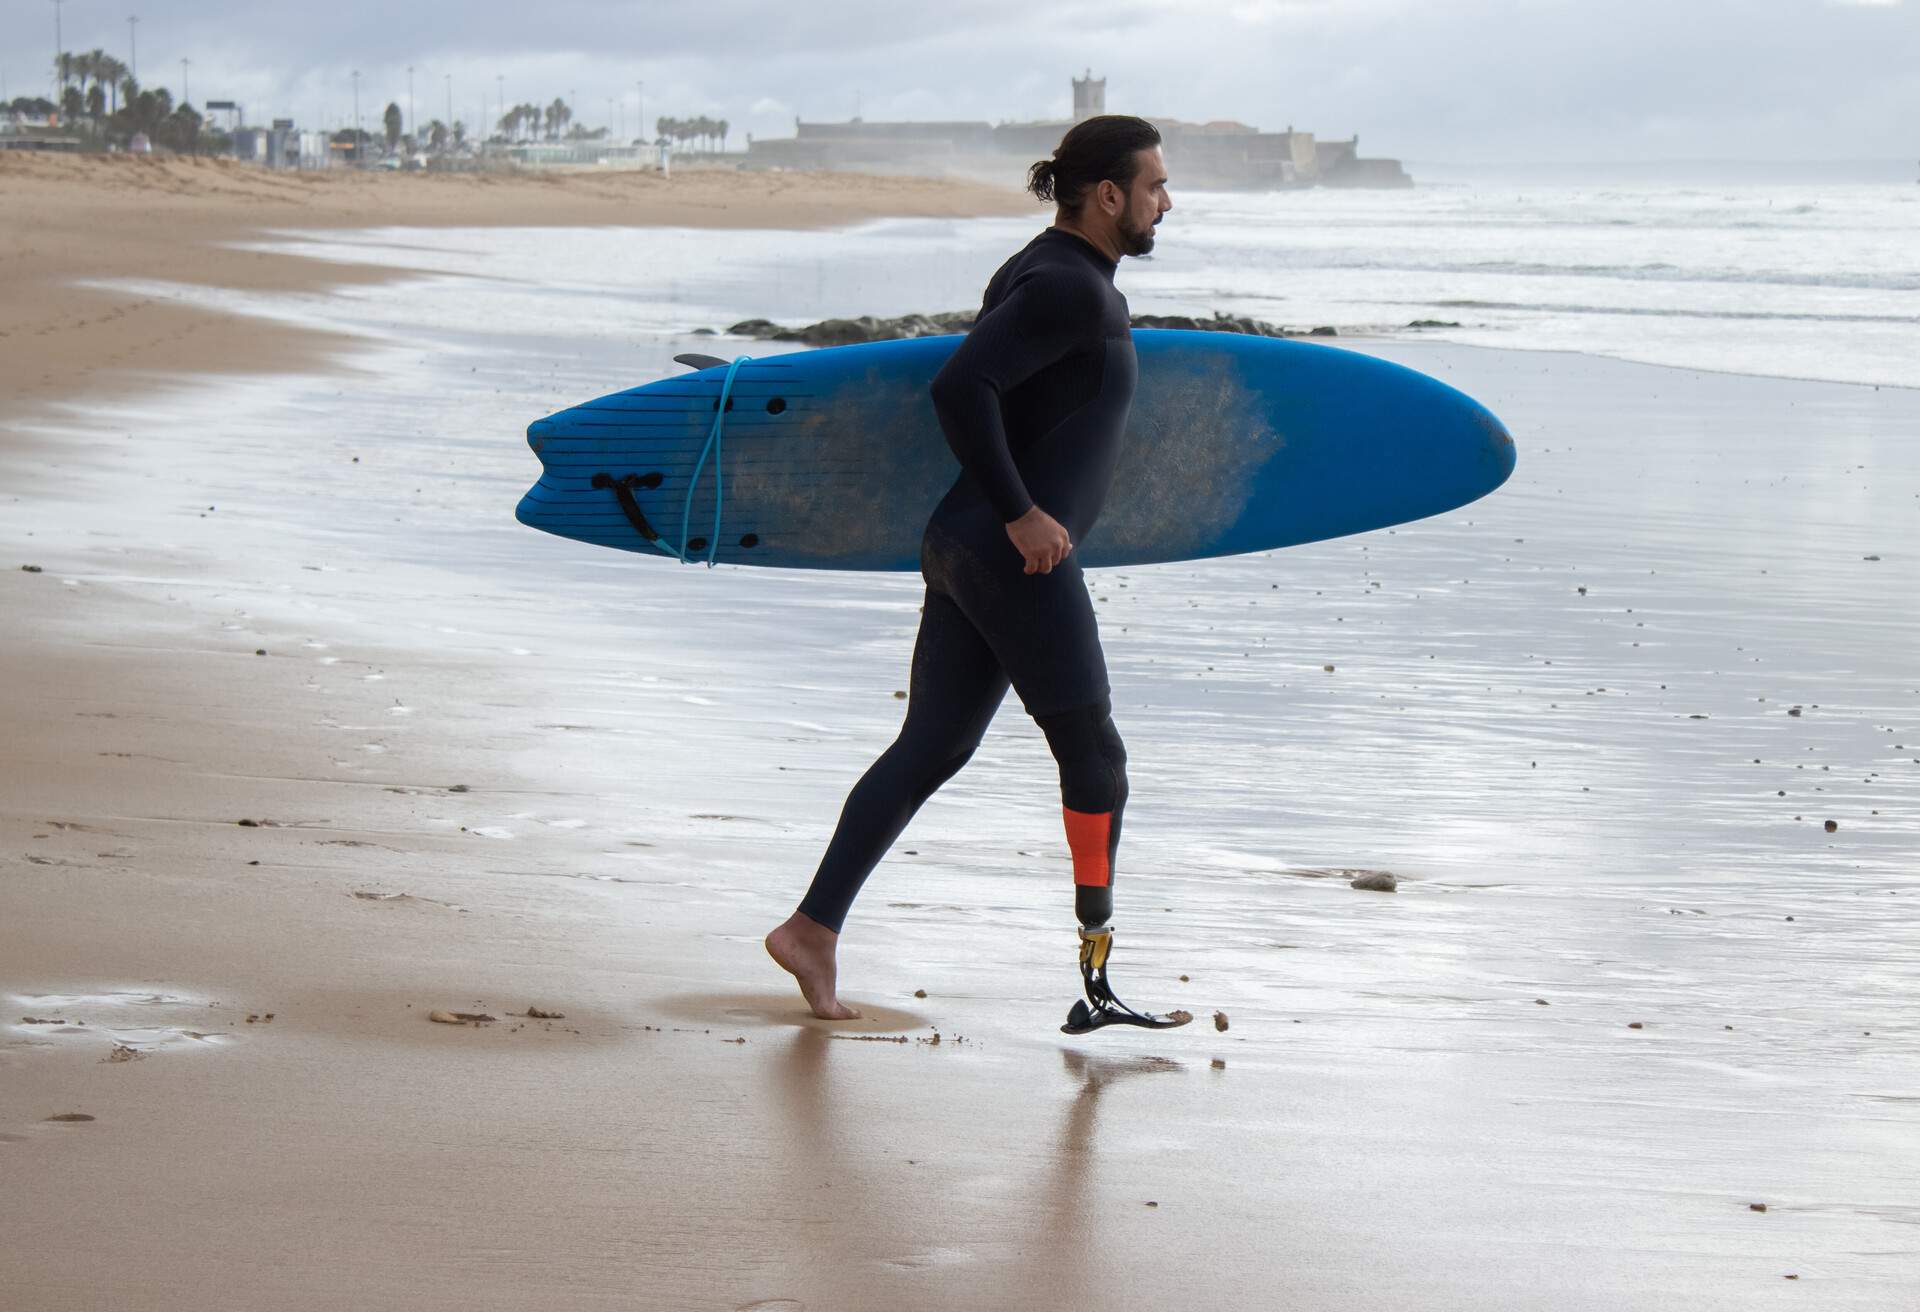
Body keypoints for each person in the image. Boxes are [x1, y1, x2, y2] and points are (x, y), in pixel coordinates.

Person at [766, 115, 1185, 1034]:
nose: (1166, 202)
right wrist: (1024, 512)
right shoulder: (1071, 290)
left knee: (935, 744)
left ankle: (811, 928)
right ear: (1107, 195)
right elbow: (962, 388)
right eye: (1154, 185)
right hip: (1008, 555)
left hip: (966, 550)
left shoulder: (1042, 270)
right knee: (1096, 757)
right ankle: (1097, 977)